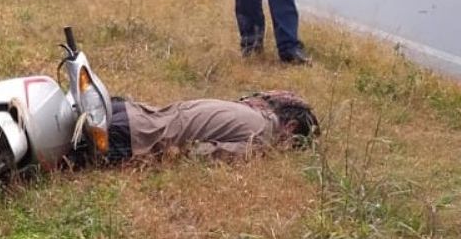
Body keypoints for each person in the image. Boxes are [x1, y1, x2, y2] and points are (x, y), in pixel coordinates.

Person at [100, 90, 319, 163]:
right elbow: (197, 153)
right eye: (293, 146)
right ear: (290, 128)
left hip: (130, 110)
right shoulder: (260, 139)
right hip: (134, 135)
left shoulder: (249, 109)